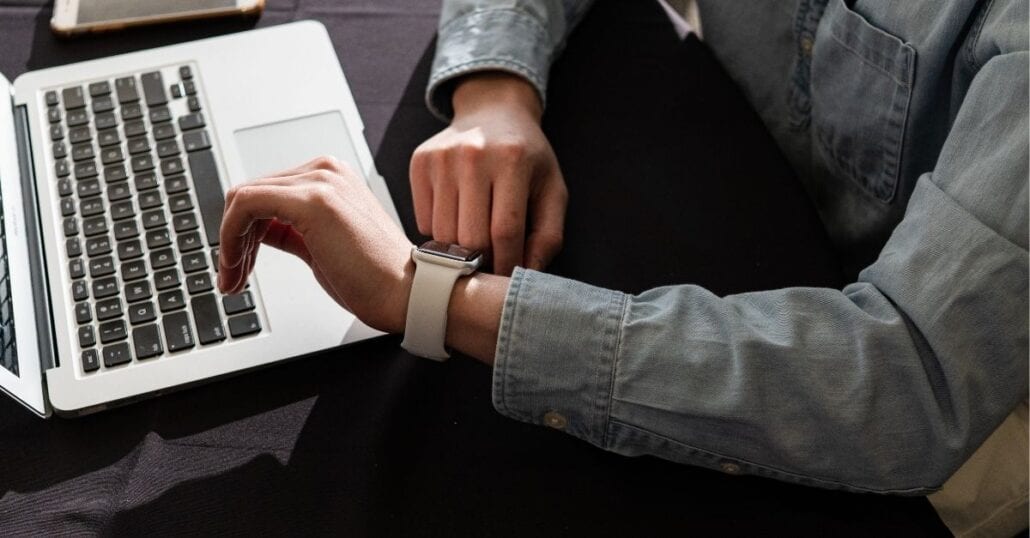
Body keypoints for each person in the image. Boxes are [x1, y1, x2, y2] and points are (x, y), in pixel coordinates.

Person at [217, 0, 1027, 518]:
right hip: (718, 194)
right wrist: (495, 91)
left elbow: (904, 381)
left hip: (919, 424)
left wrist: (425, 295)